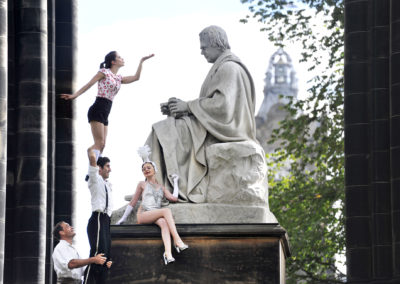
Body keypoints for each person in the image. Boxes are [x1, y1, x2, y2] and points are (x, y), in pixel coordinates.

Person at [146, 25, 257, 203]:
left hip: (225, 131)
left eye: (204, 48)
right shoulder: (222, 67)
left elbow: (223, 107)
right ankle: (155, 187)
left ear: (216, 44)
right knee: (165, 129)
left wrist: (188, 107)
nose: (202, 52)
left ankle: (166, 189)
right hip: (214, 126)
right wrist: (179, 109)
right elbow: (213, 106)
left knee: (165, 131)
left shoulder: (229, 67)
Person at [61, 51, 154, 166]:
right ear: (113, 62)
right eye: (120, 57)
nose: (122, 58)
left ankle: (95, 168)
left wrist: (141, 61)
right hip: (98, 108)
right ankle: (92, 164)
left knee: (103, 144)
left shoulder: (119, 78)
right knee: (99, 143)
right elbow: (89, 84)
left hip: (106, 111)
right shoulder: (104, 72)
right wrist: (75, 95)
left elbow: (136, 78)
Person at [116, 146, 188, 265]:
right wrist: (122, 219)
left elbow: (174, 198)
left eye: (149, 167)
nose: (146, 170)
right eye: (144, 169)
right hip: (143, 214)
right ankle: (177, 240)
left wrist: (175, 181)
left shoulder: (161, 187)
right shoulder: (142, 184)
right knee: (166, 211)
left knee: (164, 223)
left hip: (155, 213)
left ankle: (168, 254)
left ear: (155, 169)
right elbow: (133, 202)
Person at [83, 149, 114, 283]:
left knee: (106, 259)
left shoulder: (108, 184)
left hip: (106, 220)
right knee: (97, 254)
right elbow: (91, 158)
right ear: (99, 168)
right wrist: (97, 147)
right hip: (98, 218)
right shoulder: (95, 179)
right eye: (107, 166)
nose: (110, 169)